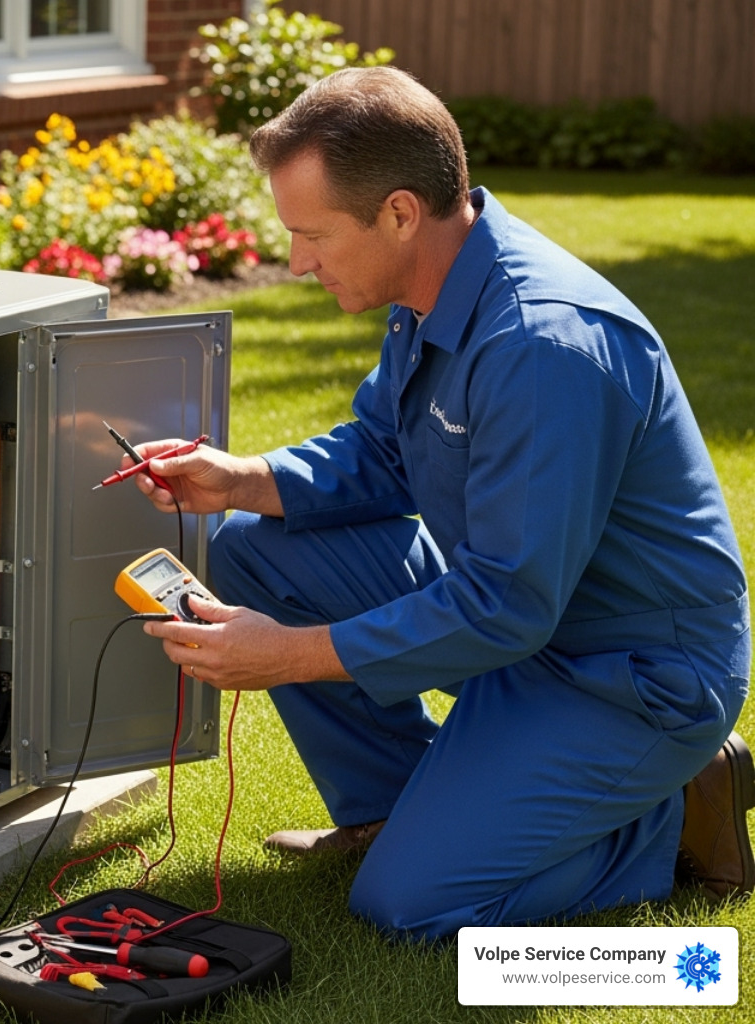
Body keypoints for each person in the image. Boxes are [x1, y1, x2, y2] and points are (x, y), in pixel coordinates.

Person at [129, 66, 752, 940]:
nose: (297, 261)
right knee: (250, 544)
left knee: (412, 906)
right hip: (531, 628)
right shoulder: (433, 290)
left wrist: (289, 655)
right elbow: (382, 451)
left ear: (398, 213)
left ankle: (666, 819)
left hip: (630, 676)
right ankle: (398, 811)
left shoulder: (543, 347)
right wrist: (243, 478)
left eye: (313, 236)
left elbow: (506, 604)